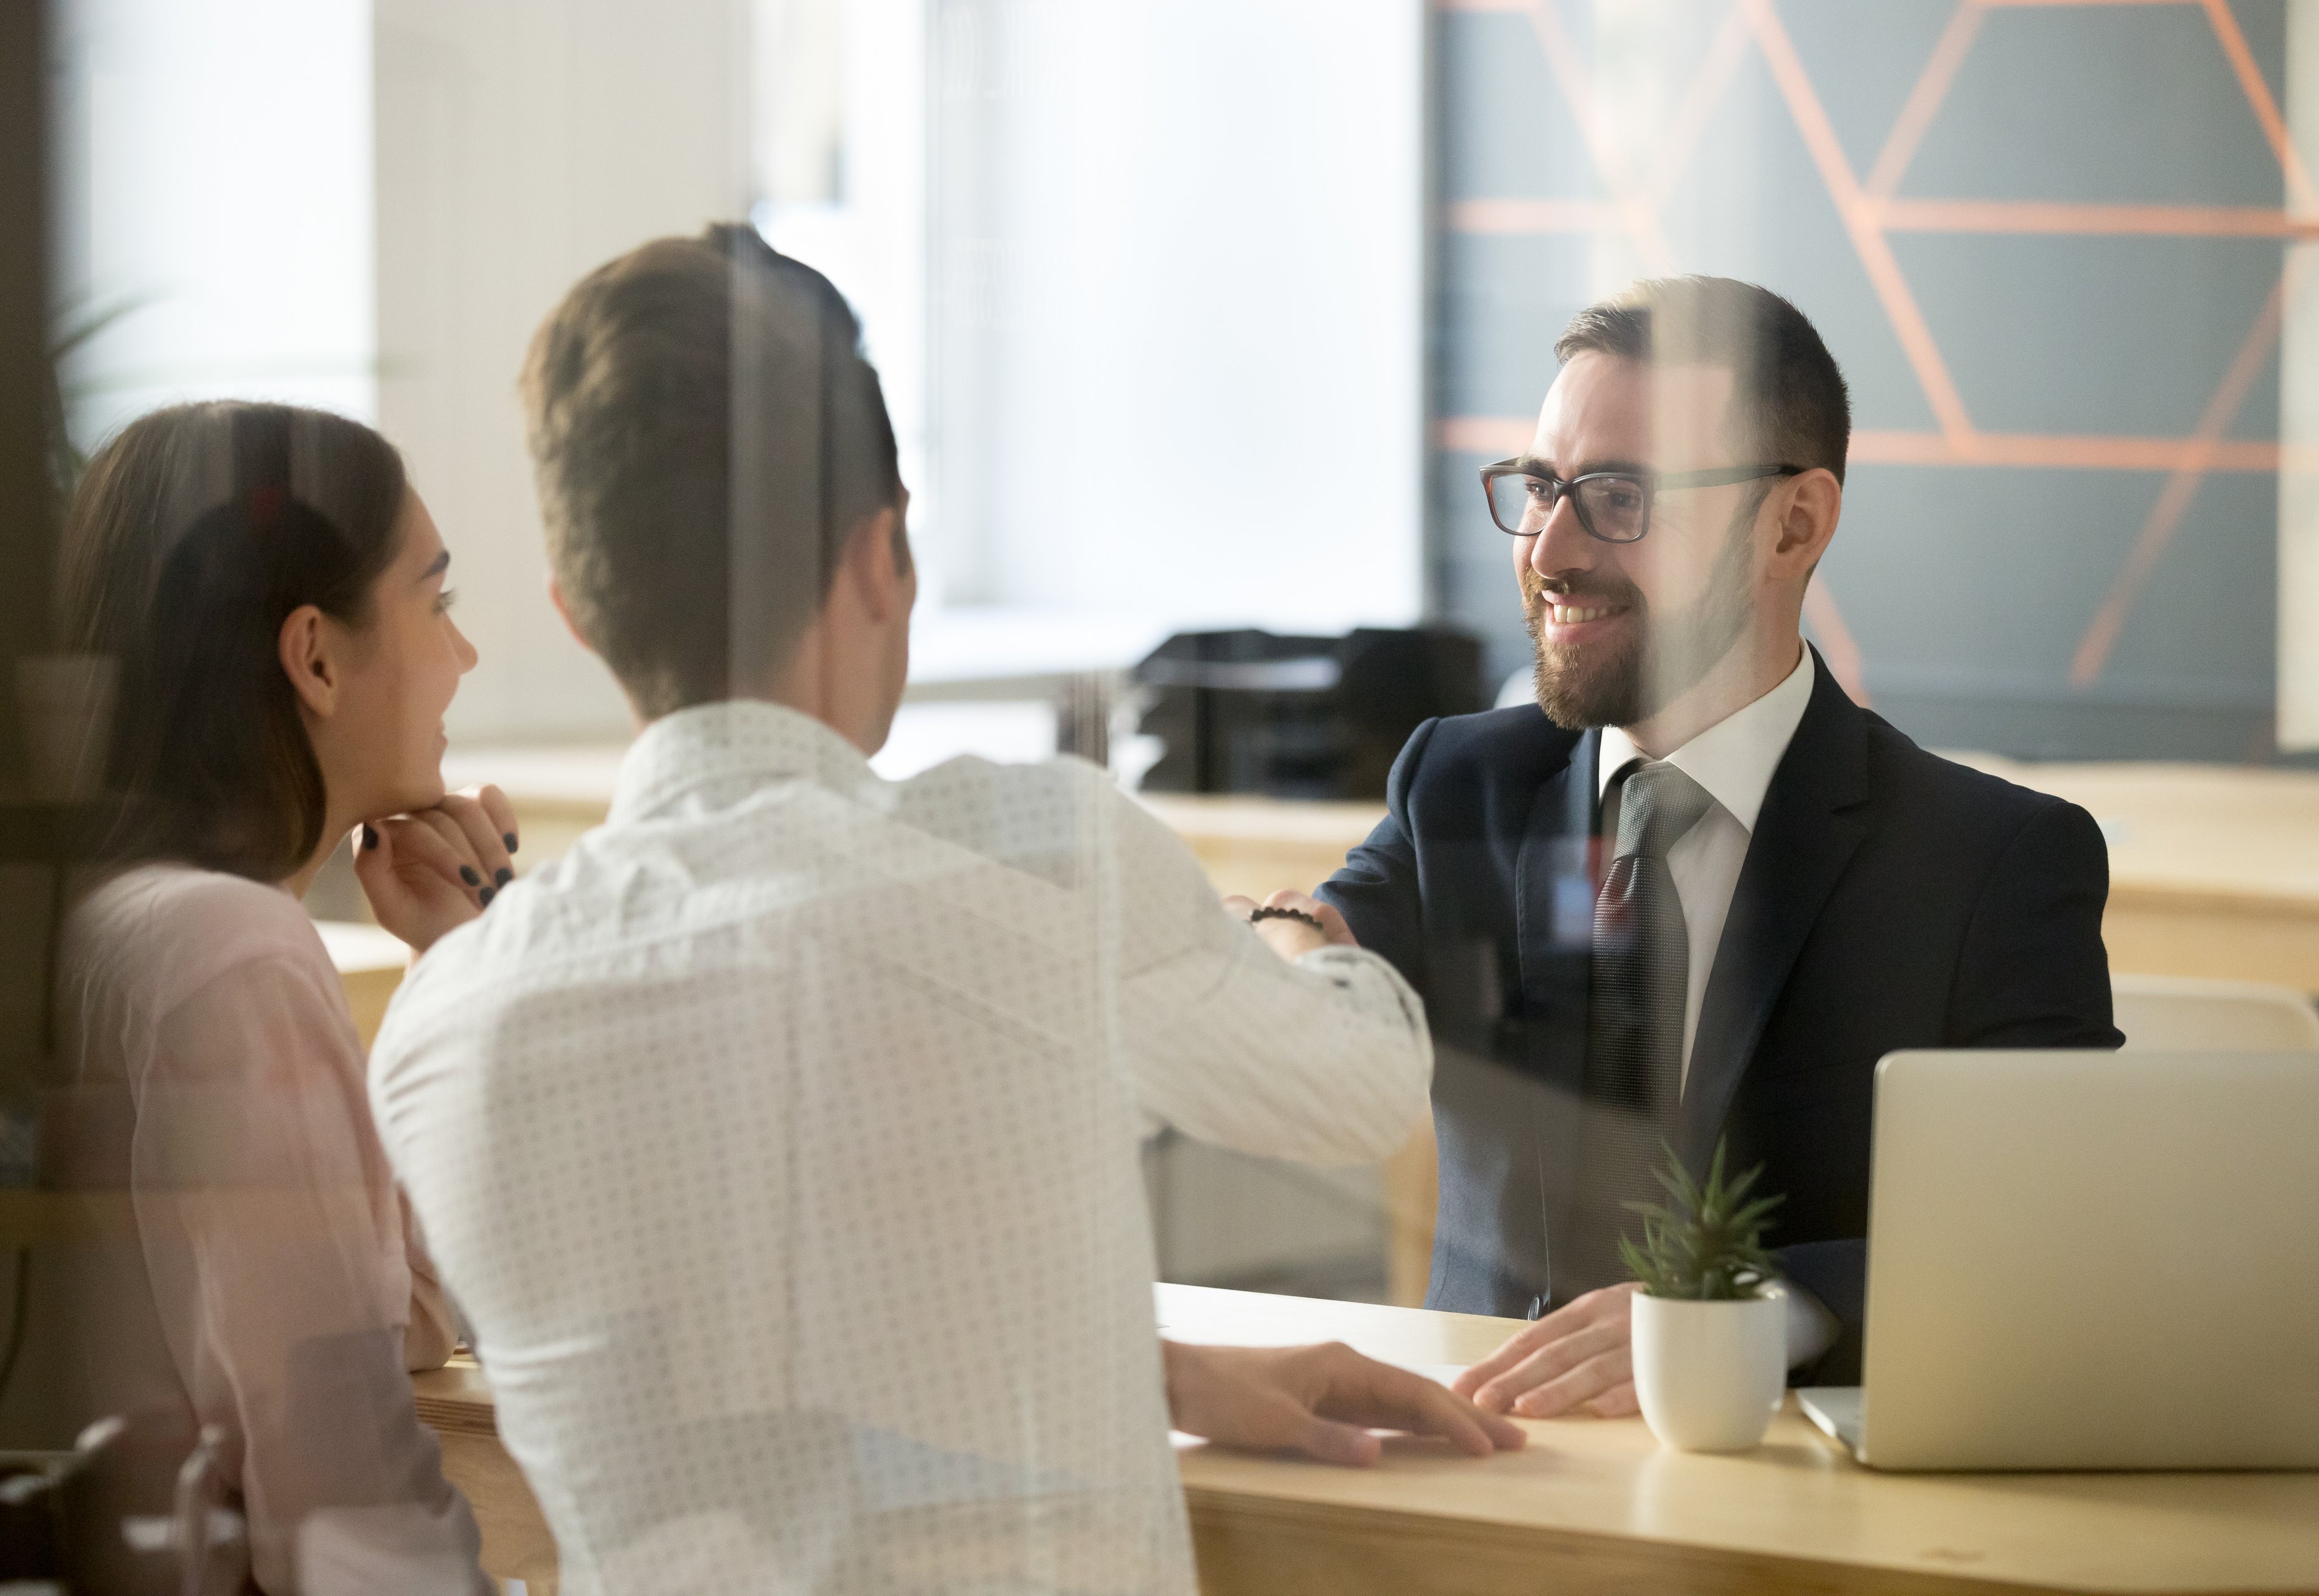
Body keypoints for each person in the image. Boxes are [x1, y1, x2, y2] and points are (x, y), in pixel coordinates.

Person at [367, 224, 1520, 1595]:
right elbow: (1363, 1091)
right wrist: (1290, 936)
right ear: (881, 552)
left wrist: (1154, 1366)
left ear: (576, 611)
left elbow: (747, 1370)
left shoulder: (440, 1026)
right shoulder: (1038, 854)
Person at [1313, 276, 2121, 1413]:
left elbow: (2058, 1227)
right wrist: (1284, 947)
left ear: (1793, 524)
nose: (1548, 550)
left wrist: (1753, 1312)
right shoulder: (1461, 783)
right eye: (1541, 487)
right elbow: (1334, 944)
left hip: (1796, 1506)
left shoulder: (1991, 861)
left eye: (1619, 497)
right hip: (1483, 1477)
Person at [49, 400, 514, 1592]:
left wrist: (441, 971)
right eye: (440, 602)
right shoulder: (234, 952)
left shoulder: (114, 917)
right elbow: (347, 1498)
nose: (464, 657)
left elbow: (401, 1319)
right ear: (313, 655)